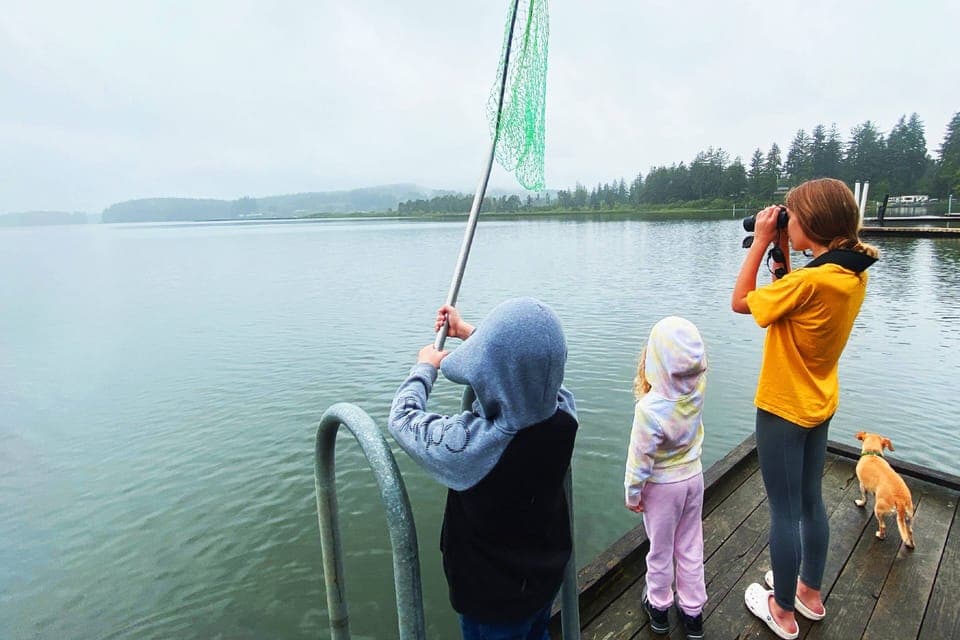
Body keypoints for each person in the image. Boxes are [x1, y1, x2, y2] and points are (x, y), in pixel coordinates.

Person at [732, 178, 879, 640]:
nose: (785, 223)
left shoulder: (812, 281)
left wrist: (759, 244)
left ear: (810, 224)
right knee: (811, 502)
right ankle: (810, 595)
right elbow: (796, 291)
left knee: (783, 511)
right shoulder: (851, 275)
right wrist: (784, 251)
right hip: (819, 404)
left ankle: (782, 611)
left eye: (791, 217)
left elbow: (741, 302)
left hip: (781, 409)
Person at [388, 297, 578, 640]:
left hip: (490, 602)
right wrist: (469, 333)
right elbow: (532, 371)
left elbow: (402, 420)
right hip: (544, 577)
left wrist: (424, 368)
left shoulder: (474, 445)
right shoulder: (564, 413)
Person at [624, 316, 708, 640]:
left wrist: (633, 493)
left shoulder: (650, 408)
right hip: (693, 479)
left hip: (662, 488)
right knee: (690, 544)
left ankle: (658, 606)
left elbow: (639, 459)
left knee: (660, 548)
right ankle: (692, 612)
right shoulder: (697, 390)